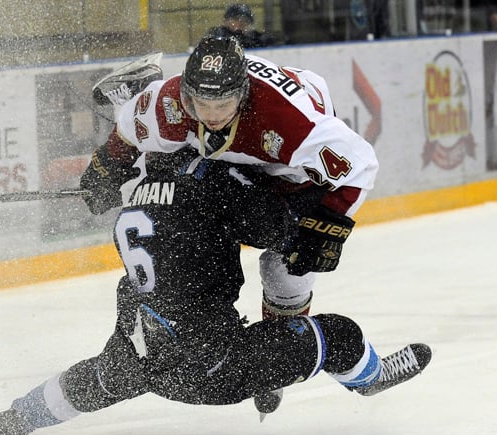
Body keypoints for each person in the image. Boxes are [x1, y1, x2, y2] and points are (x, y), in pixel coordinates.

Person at [0, 152, 431, 435]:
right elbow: (278, 232)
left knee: (95, 379)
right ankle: (367, 378)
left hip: (141, 350)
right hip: (213, 370)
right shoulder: (214, 184)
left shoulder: (138, 194)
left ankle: (15, 418)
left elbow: (182, 235)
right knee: (339, 335)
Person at [86, 36, 378, 414]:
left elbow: (361, 165)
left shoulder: (292, 122)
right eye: (199, 103)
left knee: (286, 267)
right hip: (235, 159)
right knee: (162, 167)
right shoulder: (171, 105)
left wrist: (327, 226)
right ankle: (134, 87)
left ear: (243, 94)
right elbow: (129, 129)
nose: (209, 114)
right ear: (187, 93)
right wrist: (108, 165)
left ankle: (280, 348)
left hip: (287, 172)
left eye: (221, 103)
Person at [206, 4, 278, 49]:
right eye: (236, 19)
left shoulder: (256, 38)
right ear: (225, 21)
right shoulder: (218, 34)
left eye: (246, 20)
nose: (241, 23)